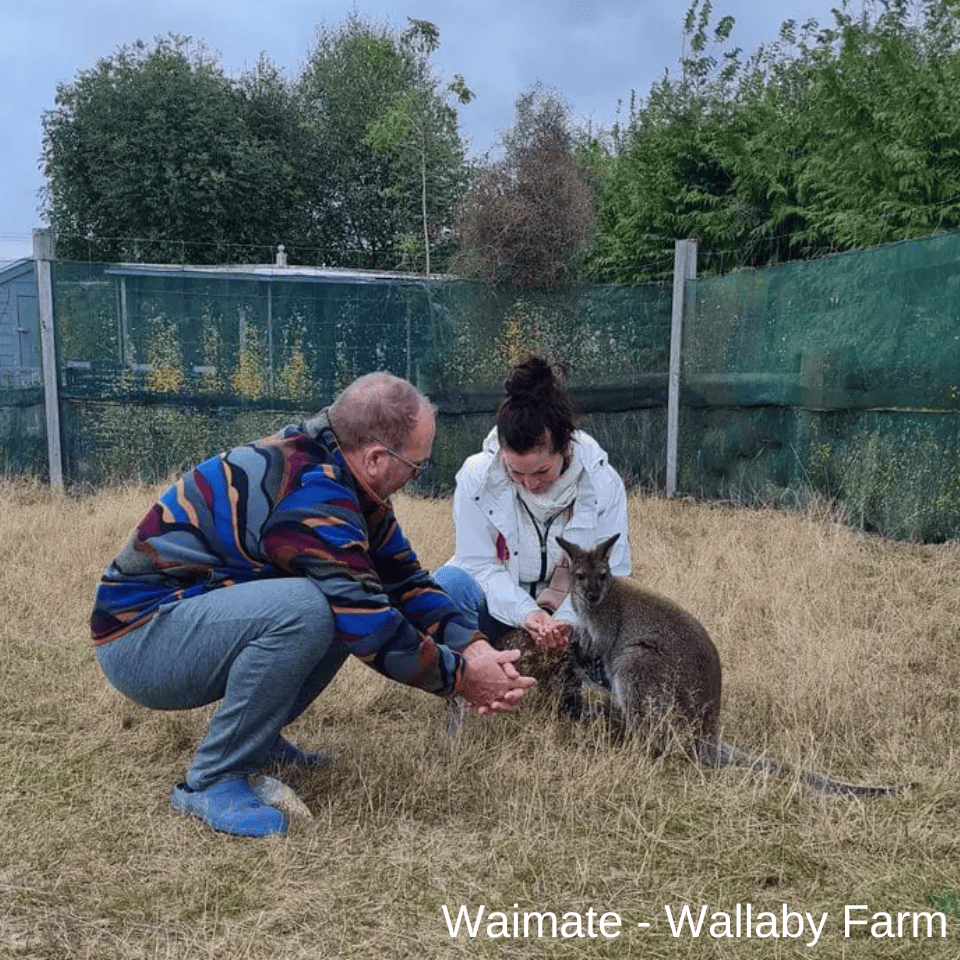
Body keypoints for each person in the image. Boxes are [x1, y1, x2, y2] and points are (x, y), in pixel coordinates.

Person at [90, 372, 534, 837]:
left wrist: (473, 647)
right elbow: (370, 625)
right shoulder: (315, 492)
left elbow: (403, 579)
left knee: (339, 596)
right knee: (315, 606)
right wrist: (462, 680)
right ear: (377, 457)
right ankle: (214, 777)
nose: (417, 476)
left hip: (185, 621)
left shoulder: (346, 478)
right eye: (417, 466)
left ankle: (258, 741)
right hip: (141, 642)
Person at [434, 355, 632, 652]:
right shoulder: (476, 477)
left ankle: (578, 690)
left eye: (542, 471)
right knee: (446, 586)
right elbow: (477, 564)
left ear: (565, 447)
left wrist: (562, 623)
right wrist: (530, 615)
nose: (530, 484)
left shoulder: (603, 481)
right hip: (502, 611)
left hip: (576, 617)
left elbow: (612, 571)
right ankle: (472, 683)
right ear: (501, 452)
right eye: (515, 472)